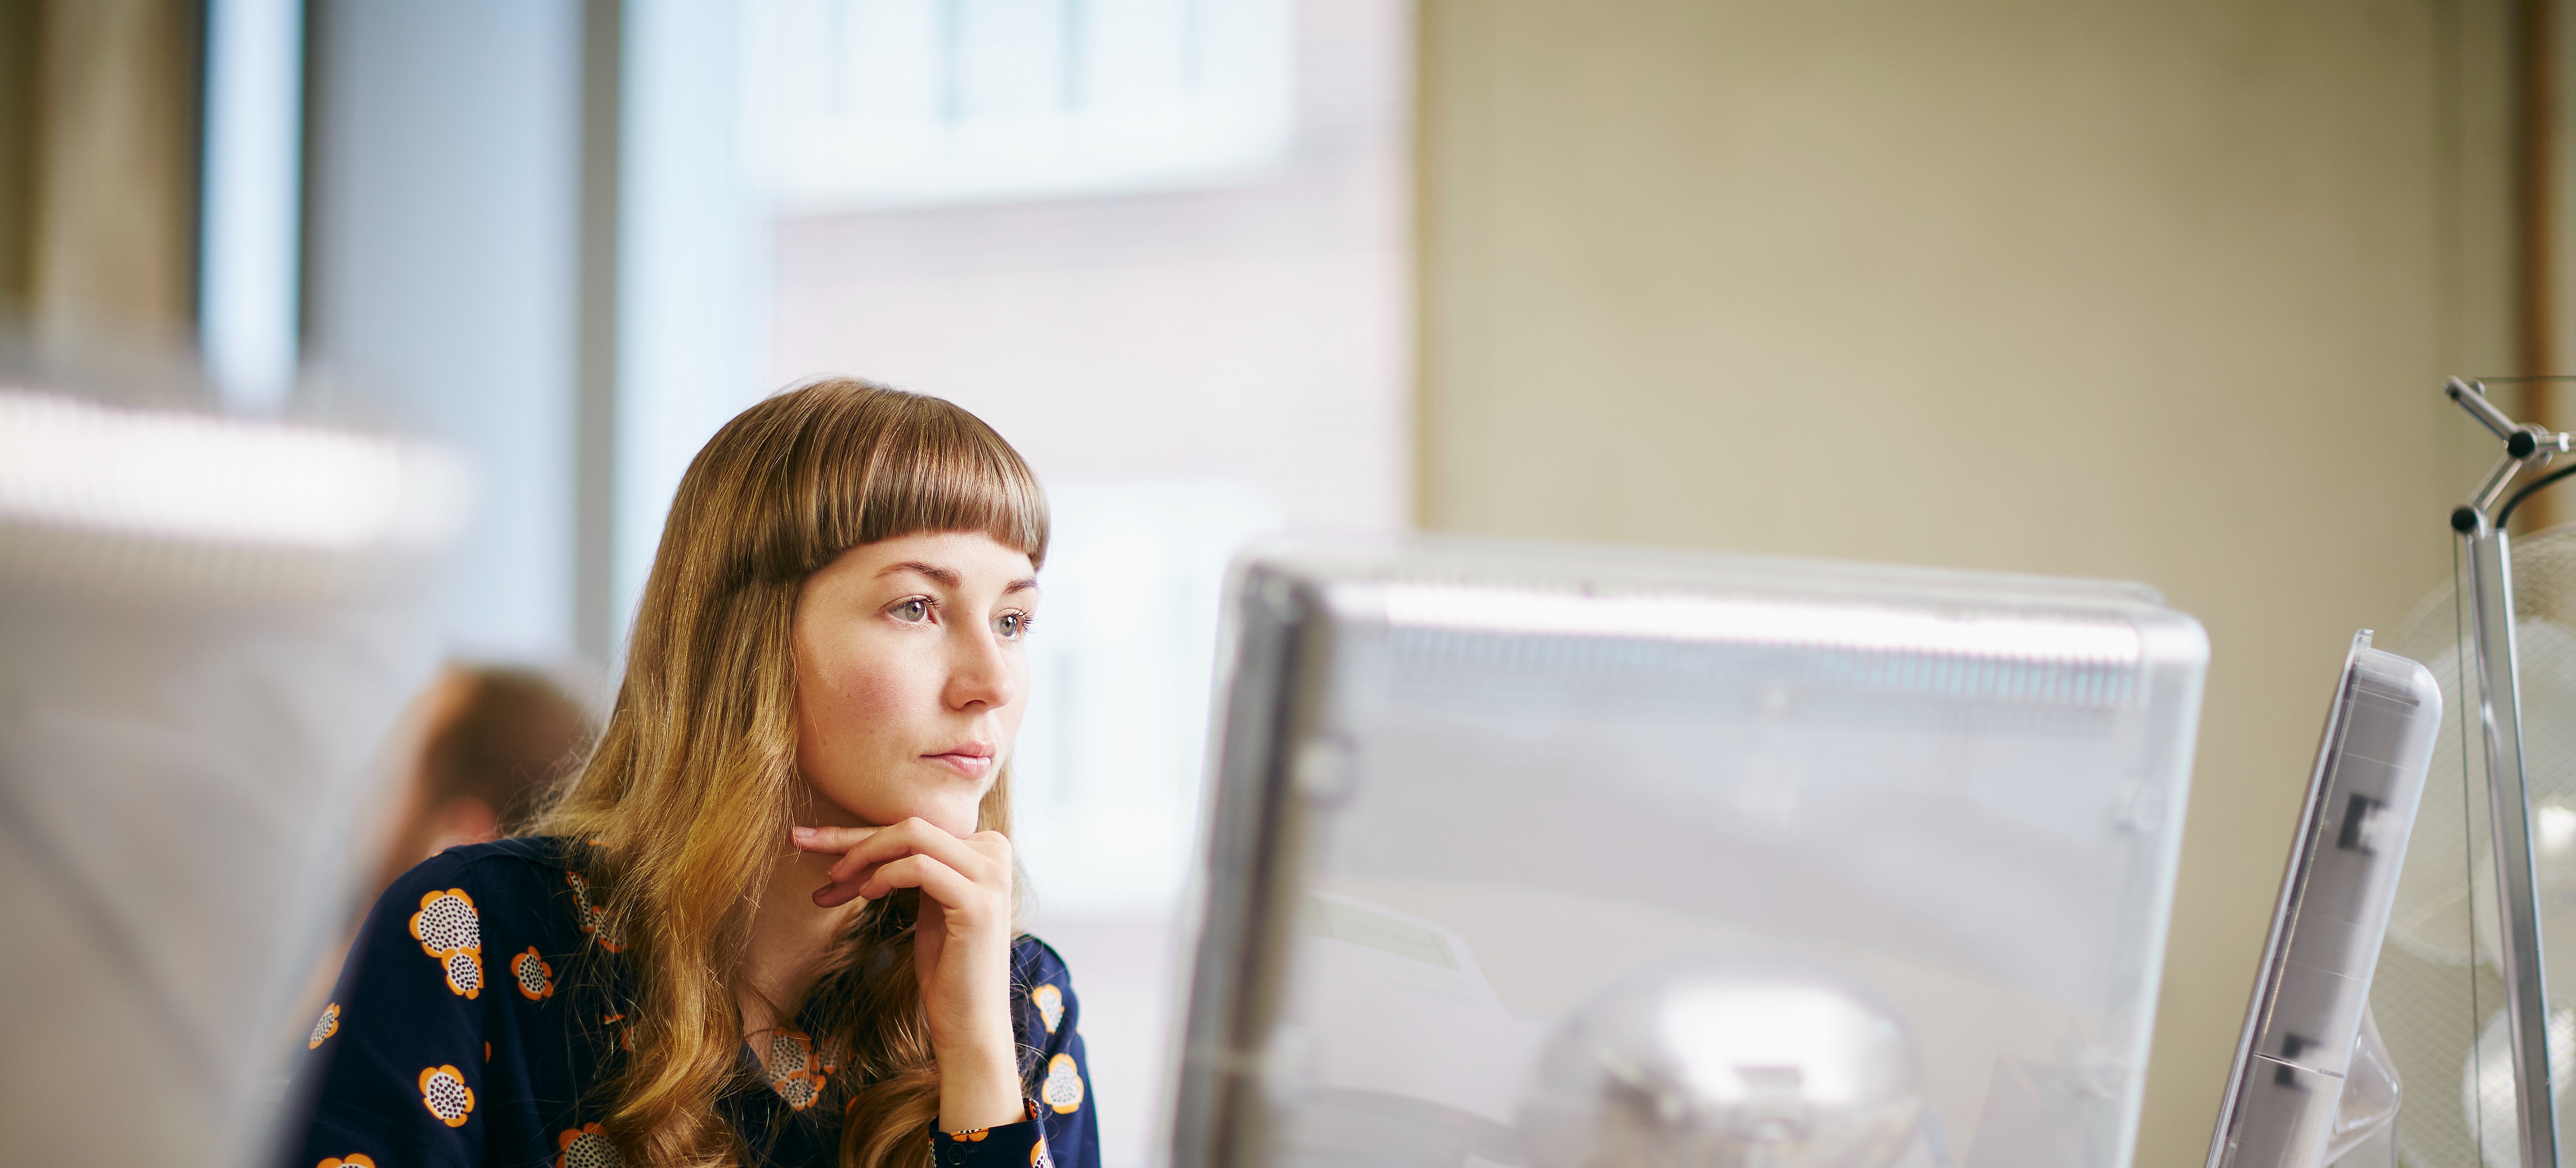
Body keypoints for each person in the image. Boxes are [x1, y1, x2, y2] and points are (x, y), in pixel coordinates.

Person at [281, 380, 1095, 1168]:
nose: (991, 680)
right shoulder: (475, 932)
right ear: (748, 639)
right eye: (916, 607)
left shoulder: (1016, 997)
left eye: (1013, 620)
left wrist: (980, 1060)